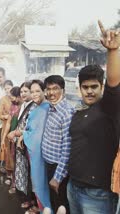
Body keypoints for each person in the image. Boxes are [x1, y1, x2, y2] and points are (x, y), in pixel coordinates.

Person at [67, 21, 120, 214]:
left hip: (97, 195)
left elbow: (114, 85)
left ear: (101, 87)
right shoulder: (79, 113)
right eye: (85, 87)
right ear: (79, 89)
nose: (89, 91)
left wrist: (112, 51)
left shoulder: (108, 109)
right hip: (73, 188)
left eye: (94, 87)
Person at [42, 75, 74, 213]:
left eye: (55, 89)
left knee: (61, 205)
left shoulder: (67, 112)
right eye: (48, 89)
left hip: (58, 168)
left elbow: (67, 148)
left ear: (63, 90)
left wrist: (57, 177)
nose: (51, 93)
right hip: (49, 164)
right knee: (54, 203)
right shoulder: (51, 107)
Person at [22, 80, 53, 213]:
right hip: (34, 152)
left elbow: (37, 136)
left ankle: (46, 209)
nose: (34, 94)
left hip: (39, 154)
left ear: (44, 91)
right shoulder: (38, 107)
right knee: (38, 182)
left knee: (41, 184)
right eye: (32, 91)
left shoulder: (45, 109)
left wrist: (23, 135)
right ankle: (41, 208)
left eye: (37, 91)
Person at [7, 81, 38, 212]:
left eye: (26, 91)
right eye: (22, 92)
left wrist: (17, 133)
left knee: (31, 174)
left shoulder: (34, 107)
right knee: (22, 172)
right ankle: (26, 198)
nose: (23, 94)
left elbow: (31, 128)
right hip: (20, 144)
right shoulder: (23, 105)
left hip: (28, 145)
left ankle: (33, 201)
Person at [0, 86, 21, 190]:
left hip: (19, 137)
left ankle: (15, 182)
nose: (11, 99)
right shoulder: (13, 106)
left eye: (12, 97)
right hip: (10, 137)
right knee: (10, 157)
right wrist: (3, 139)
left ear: (18, 96)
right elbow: (8, 123)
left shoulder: (22, 107)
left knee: (18, 159)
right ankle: (11, 177)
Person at [0, 80, 14, 174]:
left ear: (12, 87)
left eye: (9, 88)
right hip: (6, 126)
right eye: (5, 89)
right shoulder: (3, 99)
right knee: (7, 148)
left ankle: (15, 171)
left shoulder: (17, 98)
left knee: (14, 149)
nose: (7, 90)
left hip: (15, 126)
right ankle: (8, 171)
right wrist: (5, 116)